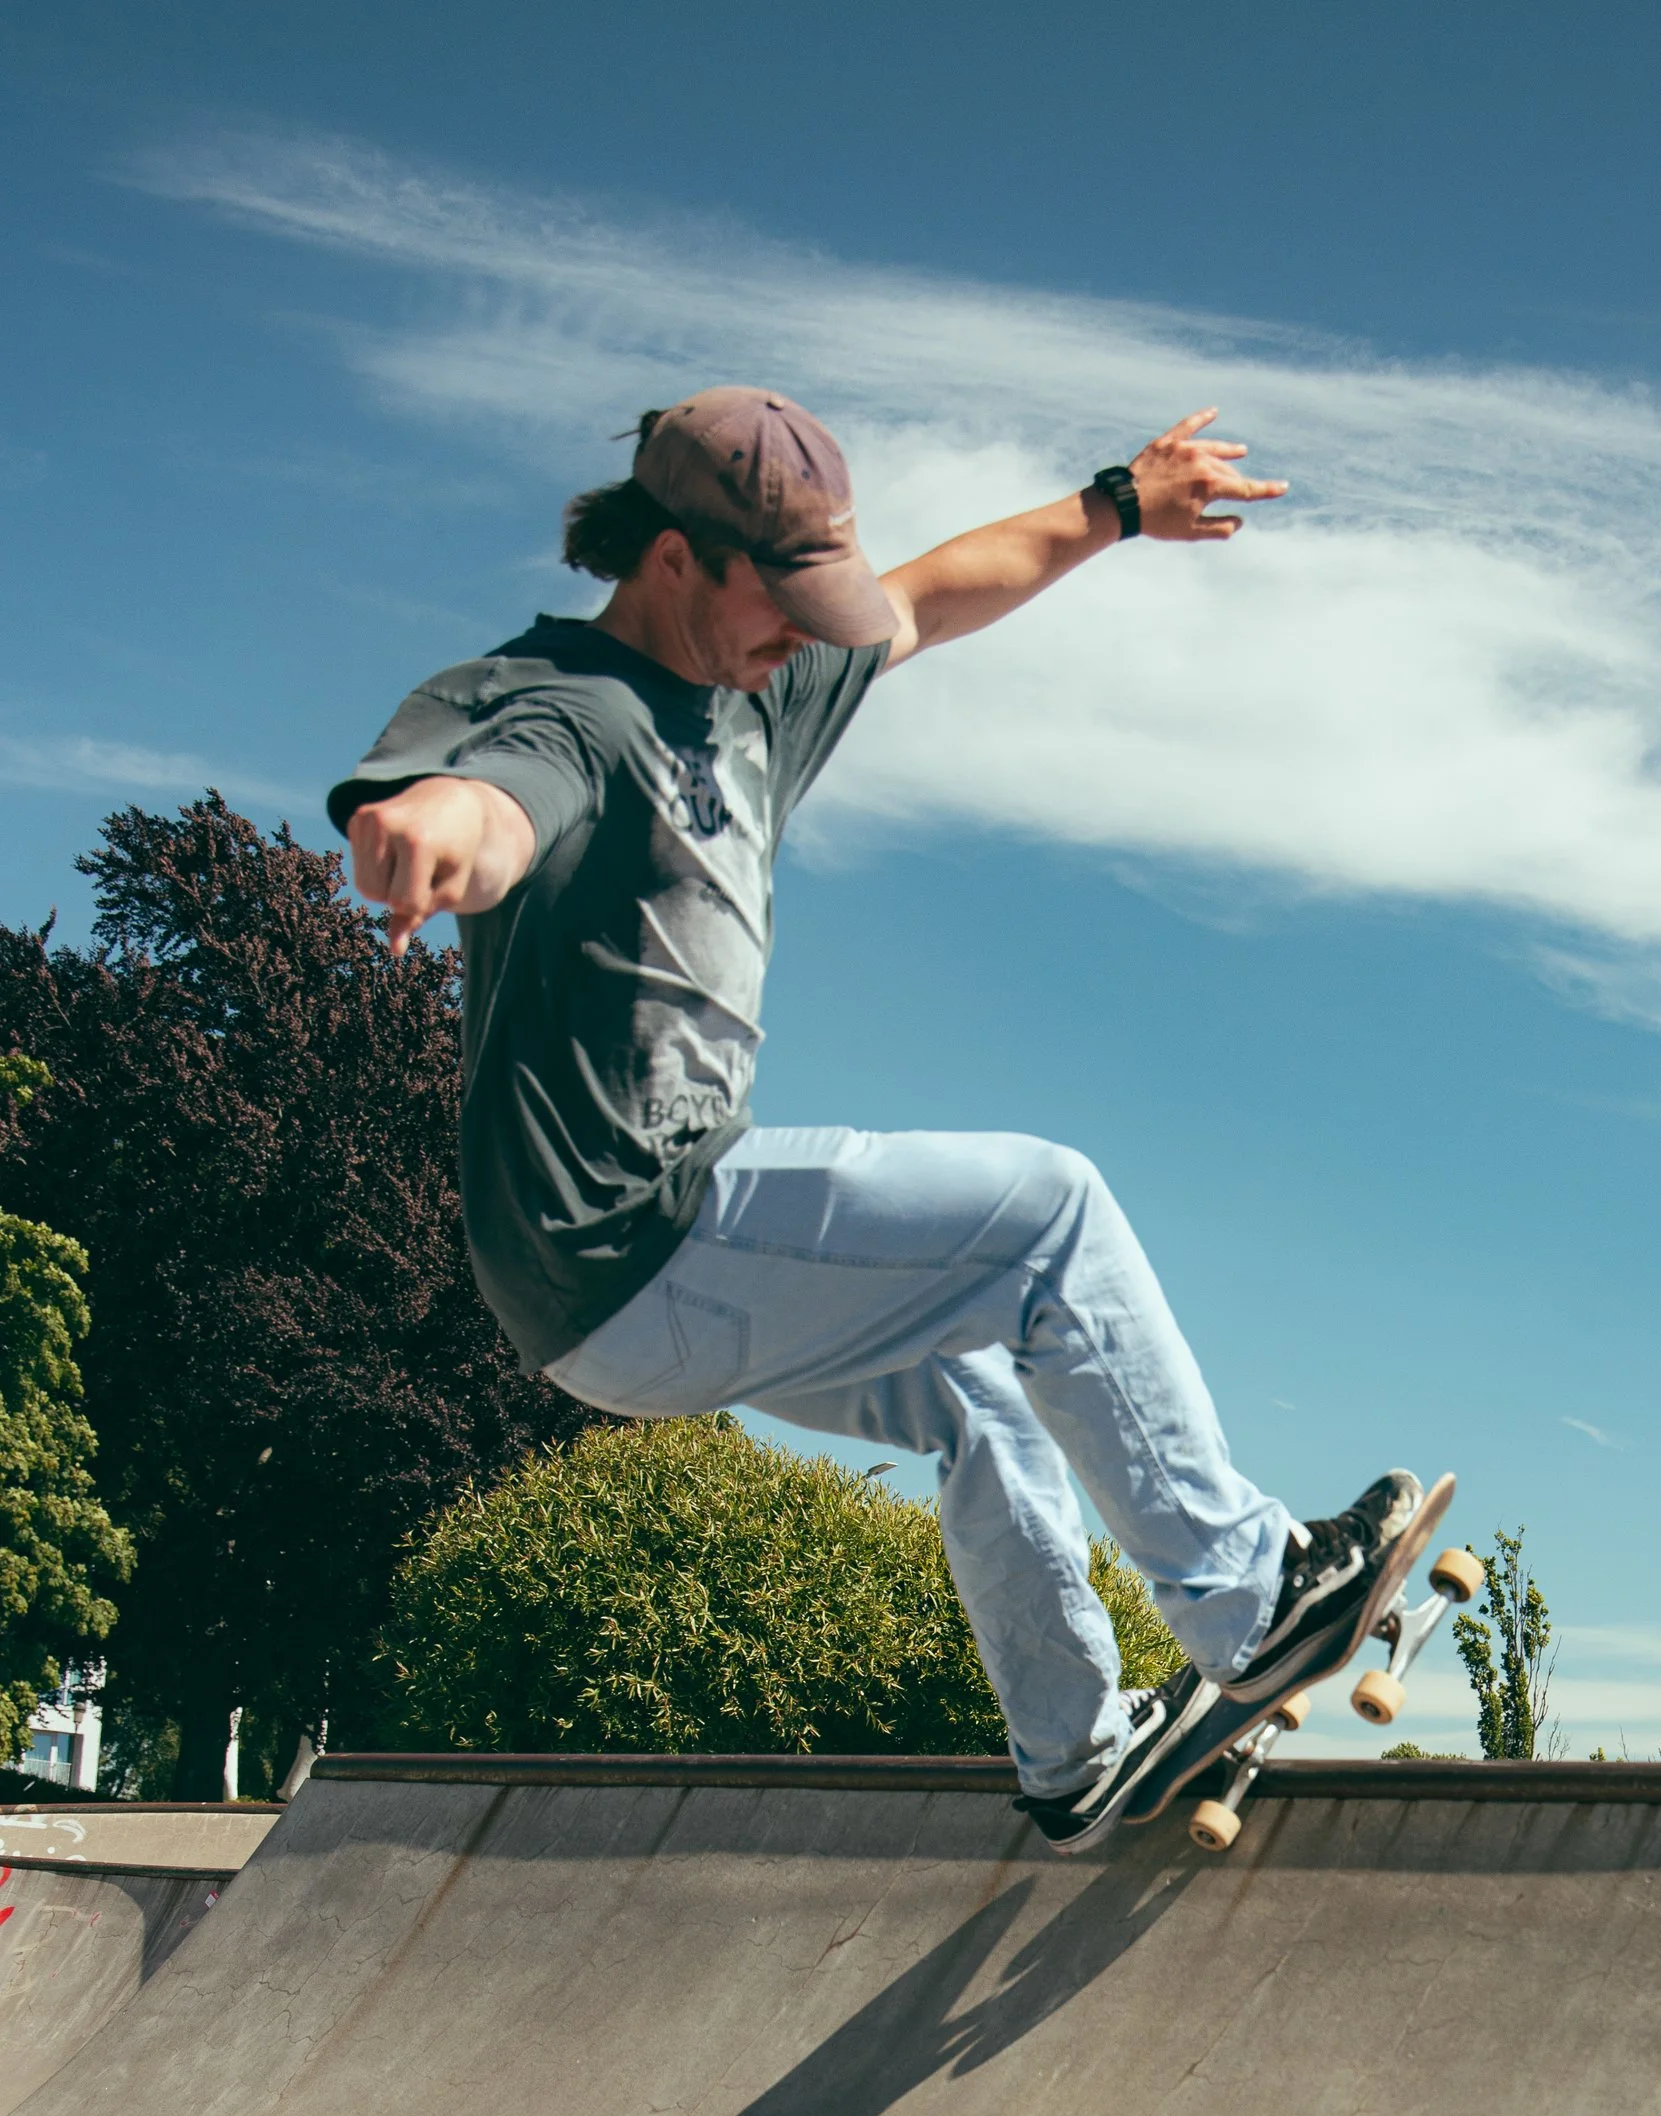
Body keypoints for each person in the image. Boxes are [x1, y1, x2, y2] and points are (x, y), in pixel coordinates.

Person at [330, 388, 1425, 1847]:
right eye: (782, 601)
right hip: (633, 1242)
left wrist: (1119, 500)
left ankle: (1073, 1750)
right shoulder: (563, 705)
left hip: (629, 1280)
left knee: (978, 1374)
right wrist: (431, 842)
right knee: (1048, 1215)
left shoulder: (767, 680)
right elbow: (490, 801)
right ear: (672, 560)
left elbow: (928, 596)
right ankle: (1251, 1594)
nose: (809, 635)